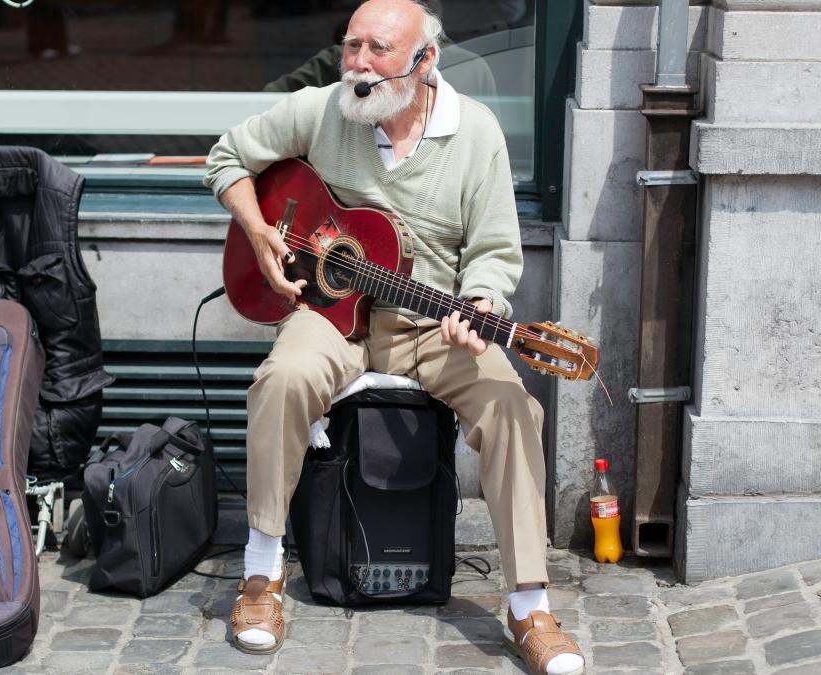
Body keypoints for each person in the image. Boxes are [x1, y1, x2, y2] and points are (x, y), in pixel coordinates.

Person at [202, 1, 584, 673]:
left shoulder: (476, 133)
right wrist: (261, 233)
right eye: (351, 47)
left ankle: (529, 603)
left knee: (511, 405)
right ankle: (261, 576)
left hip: (432, 324)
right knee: (280, 380)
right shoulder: (323, 109)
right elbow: (227, 156)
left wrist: (483, 301)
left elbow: (494, 250)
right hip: (333, 318)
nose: (357, 64)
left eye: (376, 50)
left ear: (423, 61)